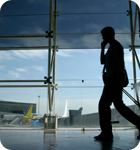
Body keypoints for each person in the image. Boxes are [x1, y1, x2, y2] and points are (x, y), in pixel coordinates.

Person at [94, 26, 140, 141]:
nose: (102, 37)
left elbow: (121, 64)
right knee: (119, 106)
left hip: (113, 80)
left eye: (103, 35)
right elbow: (102, 62)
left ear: (110, 34)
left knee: (104, 105)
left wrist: (119, 81)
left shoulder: (116, 46)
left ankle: (106, 133)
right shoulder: (111, 47)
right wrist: (102, 48)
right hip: (112, 80)